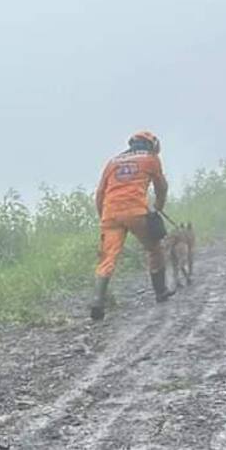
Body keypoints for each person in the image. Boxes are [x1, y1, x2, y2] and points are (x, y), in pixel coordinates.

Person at [89, 130, 171, 320]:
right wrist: (159, 206)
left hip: (110, 214)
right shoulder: (151, 159)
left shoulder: (112, 162)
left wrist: (104, 217)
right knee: (154, 249)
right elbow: (161, 186)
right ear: (152, 144)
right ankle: (161, 292)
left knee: (107, 258)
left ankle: (97, 302)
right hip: (136, 212)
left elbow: (100, 192)